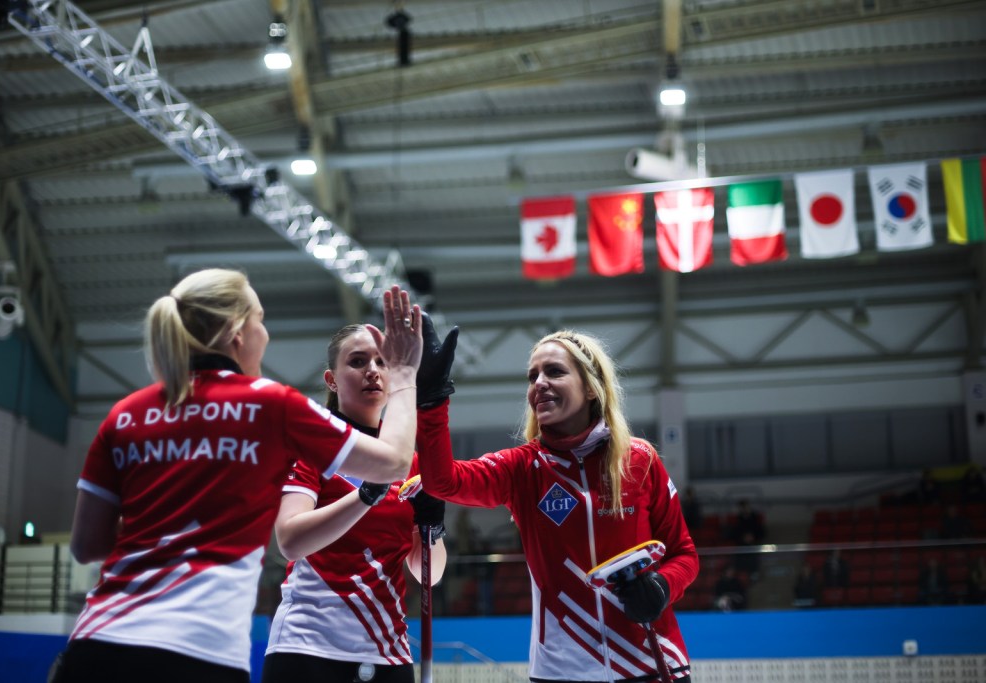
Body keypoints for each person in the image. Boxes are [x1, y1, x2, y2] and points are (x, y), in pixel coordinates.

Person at [50, 270, 423, 683]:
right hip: (197, 651)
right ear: (237, 333)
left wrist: (167, 525)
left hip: (96, 643)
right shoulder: (271, 405)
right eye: (260, 320)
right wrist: (405, 372)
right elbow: (393, 463)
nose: (265, 333)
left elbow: (87, 546)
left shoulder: (127, 412)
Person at [419, 329, 698, 682]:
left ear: (591, 387)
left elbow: (684, 554)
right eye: (532, 376)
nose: (539, 383)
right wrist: (432, 401)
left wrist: (662, 587)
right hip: (562, 671)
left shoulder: (639, 460)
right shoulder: (522, 468)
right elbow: (443, 481)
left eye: (554, 371)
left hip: (652, 665)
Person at [262, 316, 454, 683]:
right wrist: (366, 496)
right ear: (331, 379)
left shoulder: (410, 463)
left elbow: (430, 575)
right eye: (358, 361)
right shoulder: (312, 447)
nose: (373, 371)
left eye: (382, 362)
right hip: (307, 647)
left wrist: (433, 527)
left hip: (386, 652)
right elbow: (289, 541)